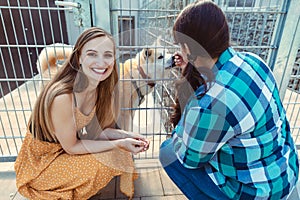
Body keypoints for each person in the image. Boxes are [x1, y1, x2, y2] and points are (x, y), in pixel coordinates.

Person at [159, 1, 299, 199]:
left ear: (187, 48)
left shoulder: (209, 104)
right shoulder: (254, 61)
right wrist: (190, 65)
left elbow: (190, 158)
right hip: (286, 173)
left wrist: (182, 125)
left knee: (168, 152)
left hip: (259, 193)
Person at [14, 27, 149, 199]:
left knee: (119, 152)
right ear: (78, 58)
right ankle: (57, 190)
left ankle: (71, 186)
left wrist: (127, 136)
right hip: (41, 163)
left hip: (65, 149)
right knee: (105, 161)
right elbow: (72, 147)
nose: (102, 62)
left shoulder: (100, 88)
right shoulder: (63, 97)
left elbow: (97, 131)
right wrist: (119, 143)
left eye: (108, 55)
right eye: (92, 54)